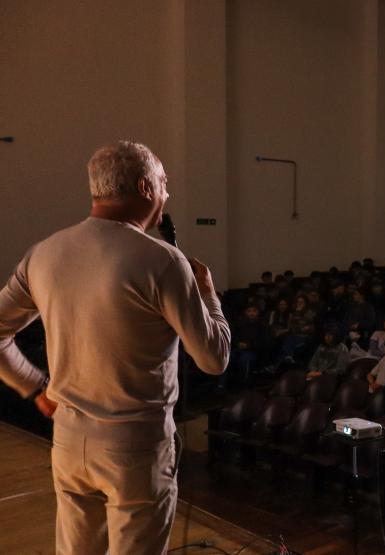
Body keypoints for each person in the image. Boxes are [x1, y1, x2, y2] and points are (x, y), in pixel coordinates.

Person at [0, 141, 231, 555]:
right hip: (136, 447)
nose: (167, 195)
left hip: (69, 440)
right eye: (163, 184)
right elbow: (214, 359)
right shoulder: (162, 260)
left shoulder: (45, 253)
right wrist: (209, 294)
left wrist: (35, 386)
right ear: (145, 187)